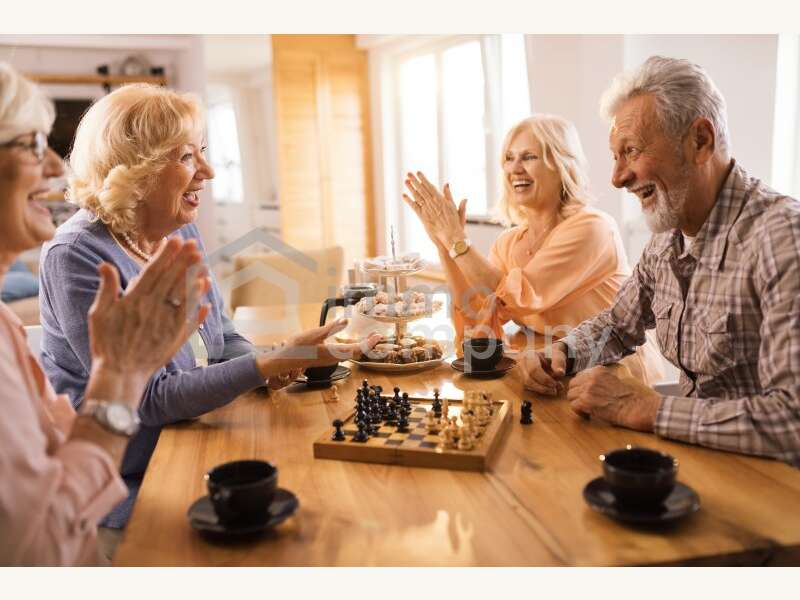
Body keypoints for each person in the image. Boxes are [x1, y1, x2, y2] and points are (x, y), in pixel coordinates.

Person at [39, 84, 377, 534]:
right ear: (135, 170)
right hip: (130, 471)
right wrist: (264, 364)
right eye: (185, 158)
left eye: (202, 152)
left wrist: (278, 361)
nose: (209, 171)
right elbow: (147, 400)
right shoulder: (76, 255)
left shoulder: (176, 229)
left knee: (330, 495)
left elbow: (221, 334)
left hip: (195, 433)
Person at [522, 56, 800, 467]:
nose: (617, 177)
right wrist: (564, 352)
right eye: (615, 156)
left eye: (630, 151)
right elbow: (618, 325)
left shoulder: (783, 238)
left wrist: (646, 408)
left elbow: (791, 422)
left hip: (770, 489)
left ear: (700, 141)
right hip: (695, 464)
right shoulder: (666, 236)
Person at [0, 62, 212, 565]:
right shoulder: (74, 252)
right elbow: (42, 549)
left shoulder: (6, 324)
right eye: (31, 145)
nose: (56, 167)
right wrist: (119, 375)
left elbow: (58, 464)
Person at [403, 114, 663, 385]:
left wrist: (457, 240)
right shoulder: (508, 242)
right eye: (508, 158)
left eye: (528, 157)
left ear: (561, 164)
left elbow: (519, 296)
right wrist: (444, 245)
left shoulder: (593, 228)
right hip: (550, 364)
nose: (514, 168)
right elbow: (476, 315)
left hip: (613, 368)